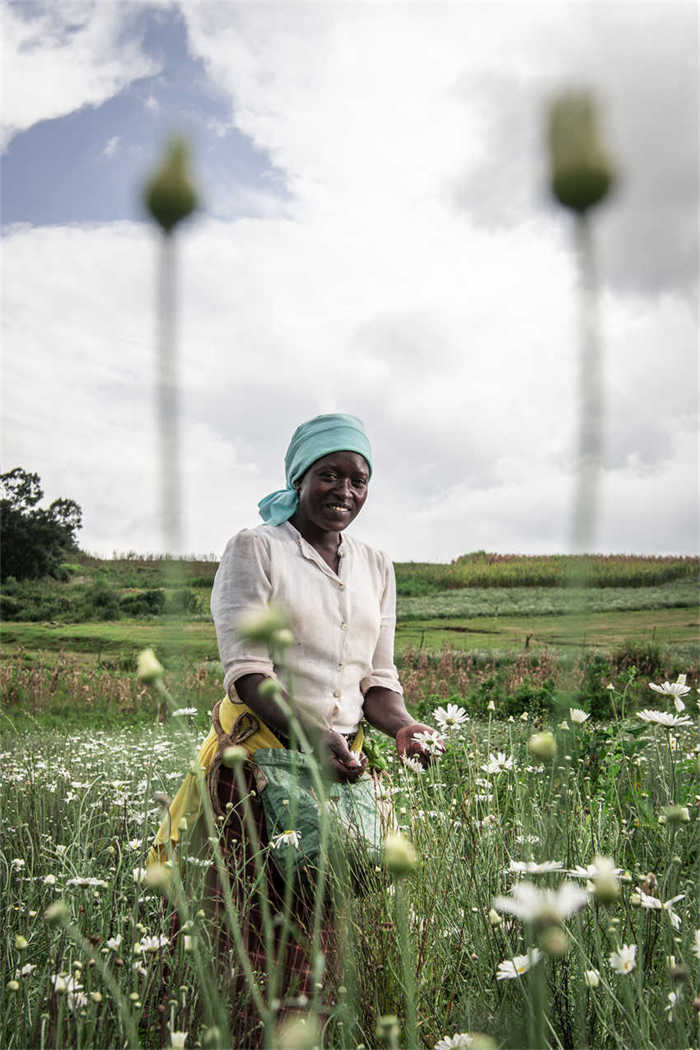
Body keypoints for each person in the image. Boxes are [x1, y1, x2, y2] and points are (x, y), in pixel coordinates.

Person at [150, 413, 439, 1038]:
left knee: (316, 930)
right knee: (250, 928)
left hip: (336, 773)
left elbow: (377, 680)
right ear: (298, 477)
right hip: (257, 766)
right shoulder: (257, 549)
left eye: (358, 479)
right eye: (327, 475)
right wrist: (316, 735)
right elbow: (250, 674)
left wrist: (404, 727)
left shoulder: (376, 565)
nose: (344, 491)